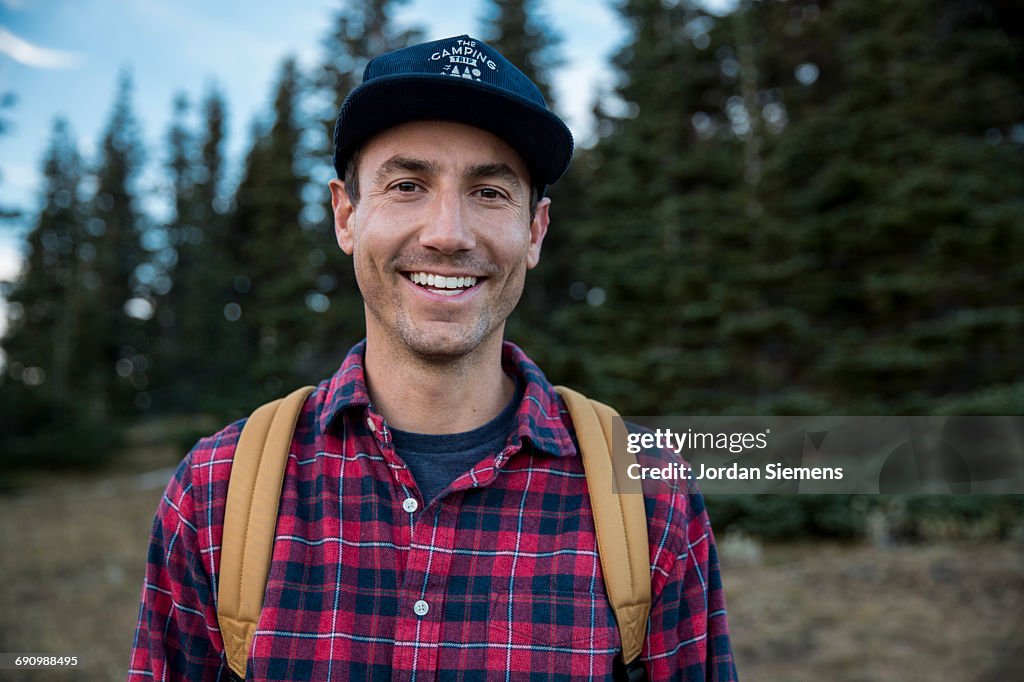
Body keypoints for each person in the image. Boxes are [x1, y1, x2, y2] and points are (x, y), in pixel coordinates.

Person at [129, 34, 737, 681]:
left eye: (490, 192)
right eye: (407, 184)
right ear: (345, 214)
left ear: (535, 231)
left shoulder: (647, 492)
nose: (448, 233)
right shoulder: (218, 492)